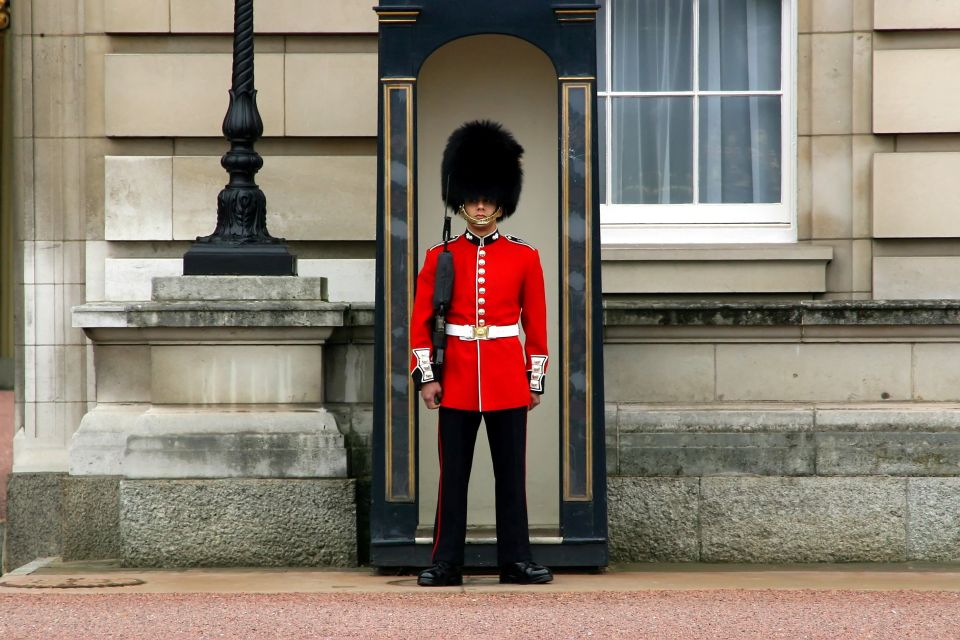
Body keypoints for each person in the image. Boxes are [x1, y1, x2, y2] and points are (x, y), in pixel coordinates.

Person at [410, 120, 553, 587]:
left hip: (506, 378)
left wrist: (534, 380)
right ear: (462, 199)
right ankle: (446, 562)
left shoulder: (524, 256)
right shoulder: (439, 256)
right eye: (473, 198)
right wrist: (427, 376)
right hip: (455, 381)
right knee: (453, 479)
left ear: (501, 202)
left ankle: (515, 560)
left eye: (488, 198)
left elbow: (536, 327)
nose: (480, 206)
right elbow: (420, 323)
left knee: (511, 477)